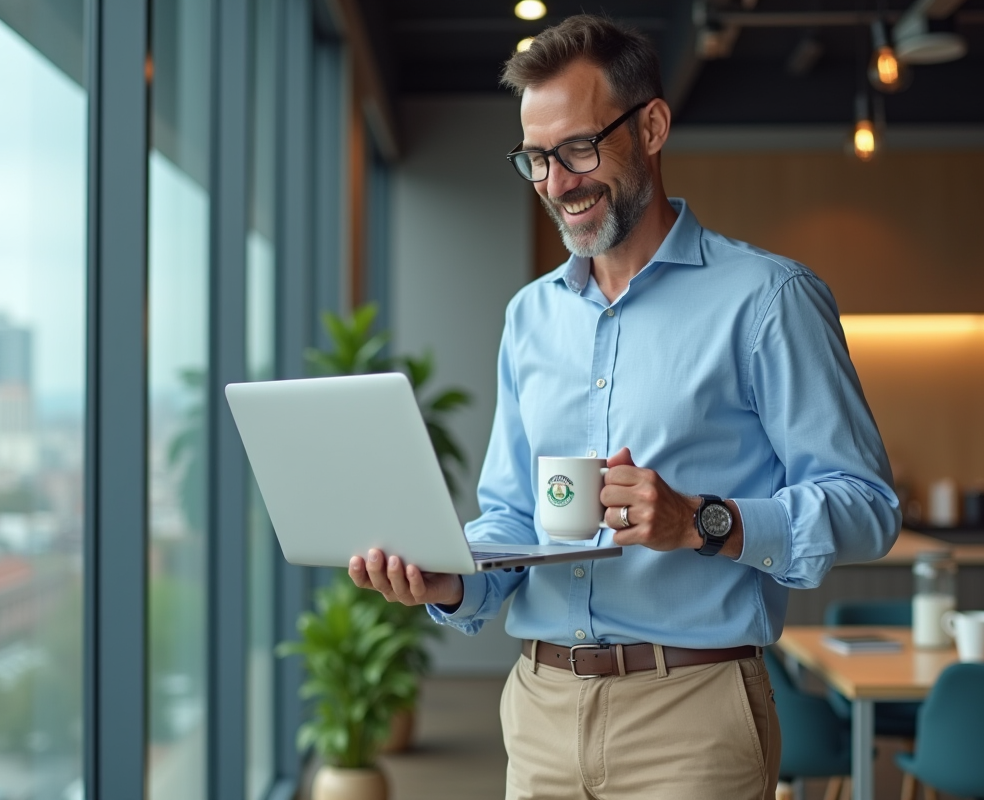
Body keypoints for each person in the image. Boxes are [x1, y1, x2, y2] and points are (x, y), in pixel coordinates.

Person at [348, 14, 900, 800]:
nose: (557, 183)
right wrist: (448, 578)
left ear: (652, 127)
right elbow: (513, 518)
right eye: (537, 159)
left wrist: (704, 521)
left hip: (692, 718)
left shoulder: (767, 299)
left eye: (578, 148)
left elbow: (868, 506)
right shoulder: (530, 317)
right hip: (540, 713)